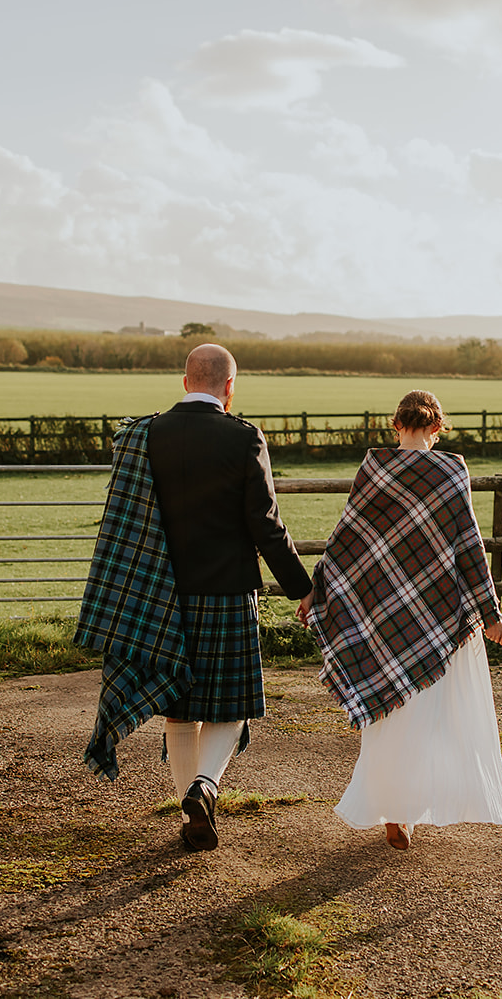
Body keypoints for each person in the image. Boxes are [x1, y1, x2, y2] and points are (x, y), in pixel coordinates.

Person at [79, 343, 313, 852]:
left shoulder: (145, 436)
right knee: (230, 707)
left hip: (159, 595)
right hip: (227, 593)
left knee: (179, 708)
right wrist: (303, 587)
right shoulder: (244, 438)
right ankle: (204, 789)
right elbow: (265, 525)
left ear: (186, 380)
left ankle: (189, 815)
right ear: (230, 387)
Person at [298, 390, 502, 850]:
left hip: (380, 615)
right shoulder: (451, 471)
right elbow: (469, 546)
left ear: (396, 425)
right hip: (437, 614)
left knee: (390, 713)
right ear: (437, 428)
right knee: (428, 717)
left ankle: (395, 811)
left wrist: (318, 592)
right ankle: (406, 811)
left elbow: (345, 541)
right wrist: (489, 613)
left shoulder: (374, 467)